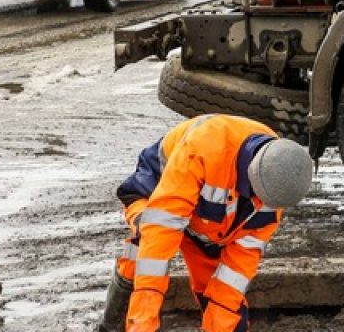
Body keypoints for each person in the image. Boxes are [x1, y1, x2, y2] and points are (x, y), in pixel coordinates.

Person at [97, 114, 314, 332]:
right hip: (153, 191)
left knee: (219, 292)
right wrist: (143, 323)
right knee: (143, 249)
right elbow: (159, 237)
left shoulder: (278, 180)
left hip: (208, 222)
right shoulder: (204, 148)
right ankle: (111, 327)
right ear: (251, 179)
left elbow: (235, 273)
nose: (265, 207)